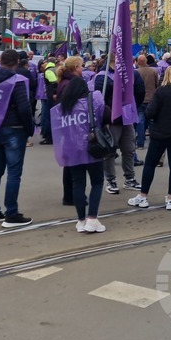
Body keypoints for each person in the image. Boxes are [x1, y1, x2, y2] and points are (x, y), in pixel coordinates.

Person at [127, 65, 171, 210]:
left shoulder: (160, 92)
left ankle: (143, 196)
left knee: (150, 163)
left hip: (160, 133)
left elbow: (150, 112)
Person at [51, 56, 107, 232]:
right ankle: (92, 218)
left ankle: (81, 220)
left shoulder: (63, 108)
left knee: (78, 184)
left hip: (72, 148)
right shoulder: (94, 100)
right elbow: (107, 116)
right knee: (97, 182)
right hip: (92, 147)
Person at [0, 49, 36, 228]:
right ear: (17, 62)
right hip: (14, 128)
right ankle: (11, 214)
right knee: (14, 173)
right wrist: (30, 128)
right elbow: (24, 108)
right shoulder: (17, 81)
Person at [95, 53, 145, 195]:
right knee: (109, 150)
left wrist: (132, 107)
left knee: (129, 149)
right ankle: (111, 180)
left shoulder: (131, 74)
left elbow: (140, 91)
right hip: (112, 120)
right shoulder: (102, 76)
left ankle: (129, 179)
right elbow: (98, 98)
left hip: (127, 118)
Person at [136, 53, 160, 151]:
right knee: (152, 121)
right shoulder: (153, 71)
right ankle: (153, 142)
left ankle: (140, 143)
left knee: (140, 122)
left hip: (140, 100)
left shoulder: (136, 72)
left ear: (138, 62)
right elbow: (156, 84)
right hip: (151, 99)